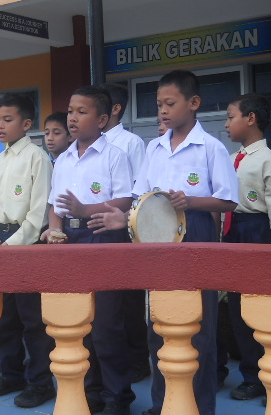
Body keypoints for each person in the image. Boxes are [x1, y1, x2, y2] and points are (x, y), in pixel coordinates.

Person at [88, 70, 239, 415]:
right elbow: (141, 198)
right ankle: (162, 405)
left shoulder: (211, 148)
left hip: (196, 233)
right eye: (158, 105)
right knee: (160, 325)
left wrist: (192, 201)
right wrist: (122, 219)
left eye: (170, 103)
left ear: (194, 102)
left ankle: (199, 407)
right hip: (156, 240)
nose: (162, 111)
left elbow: (229, 200)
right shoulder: (154, 147)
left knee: (198, 327)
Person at [42, 85, 135, 415]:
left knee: (107, 323)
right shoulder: (63, 159)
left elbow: (125, 200)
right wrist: (55, 228)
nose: (73, 118)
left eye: (82, 112)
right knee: (78, 320)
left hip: (104, 239)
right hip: (70, 241)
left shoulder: (114, 155)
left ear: (103, 120)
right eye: (70, 111)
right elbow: (55, 204)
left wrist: (85, 210)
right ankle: (92, 391)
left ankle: (117, 396)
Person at [221, 93, 271, 401]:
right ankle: (252, 374)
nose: (226, 124)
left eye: (230, 117)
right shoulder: (230, 159)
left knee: (261, 307)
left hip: (256, 231)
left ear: (250, 119)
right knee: (237, 308)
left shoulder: (268, 161)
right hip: (232, 233)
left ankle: (268, 375)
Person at [0, 93, 56, 409]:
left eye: (8, 119)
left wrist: (10, 246)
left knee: (32, 319)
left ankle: (40, 382)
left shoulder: (37, 158)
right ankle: (10, 374)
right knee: (5, 317)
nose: (0, 125)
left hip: (26, 244)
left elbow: (39, 214)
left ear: (26, 123)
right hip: (0, 240)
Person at [100, 82, 150, 384]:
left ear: (114, 109)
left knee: (129, 298)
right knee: (105, 301)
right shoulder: (87, 144)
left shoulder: (131, 143)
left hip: (123, 227)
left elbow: (139, 190)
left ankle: (138, 359)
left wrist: (126, 222)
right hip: (96, 230)